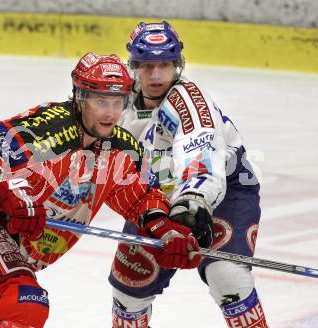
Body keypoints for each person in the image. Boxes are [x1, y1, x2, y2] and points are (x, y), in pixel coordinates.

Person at [0, 52, 203, 328]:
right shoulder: (51, 128)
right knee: (25, 302)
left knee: (22, 306)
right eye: (100, 101)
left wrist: (166, 231)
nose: (111, 113)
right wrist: (11, 190)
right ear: (80, 97)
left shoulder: (121, 147)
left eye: (118, 102)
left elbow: (140, 197)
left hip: (15, 232)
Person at [109, 22, 268, 328]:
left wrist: (193, 203)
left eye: (165, 65)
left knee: (227, 277)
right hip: (152, 198)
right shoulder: (116, 101)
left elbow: (201, 154)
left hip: (220, 194)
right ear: (134, 66)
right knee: (127, 292)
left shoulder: (189, 102)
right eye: (147, 65)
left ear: (177, 65)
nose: (156, 76)